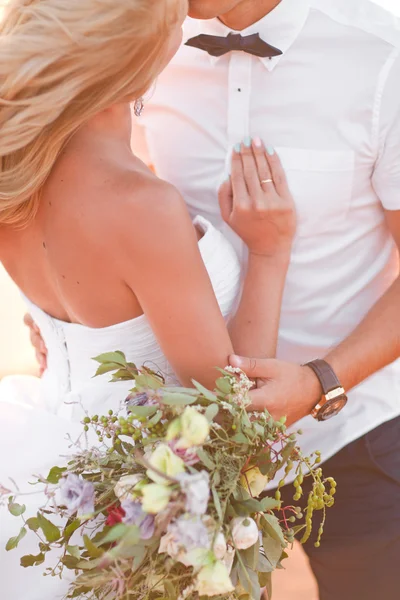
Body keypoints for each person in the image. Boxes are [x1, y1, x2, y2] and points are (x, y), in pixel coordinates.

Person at [28, 0, 400, 598]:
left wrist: (320, 379)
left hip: (355, 434)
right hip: (182, 458)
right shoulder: (143, 45)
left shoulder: (382, 57)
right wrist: (75, 318)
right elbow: (121, 191)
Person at [0, 1, 298, 598]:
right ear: (132, 62)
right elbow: (230, 426)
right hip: (149, 516)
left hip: (50, 483)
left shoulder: (15, 170)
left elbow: (81, 316)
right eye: (171, 18)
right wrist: (269, 252)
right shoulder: (142, 206)